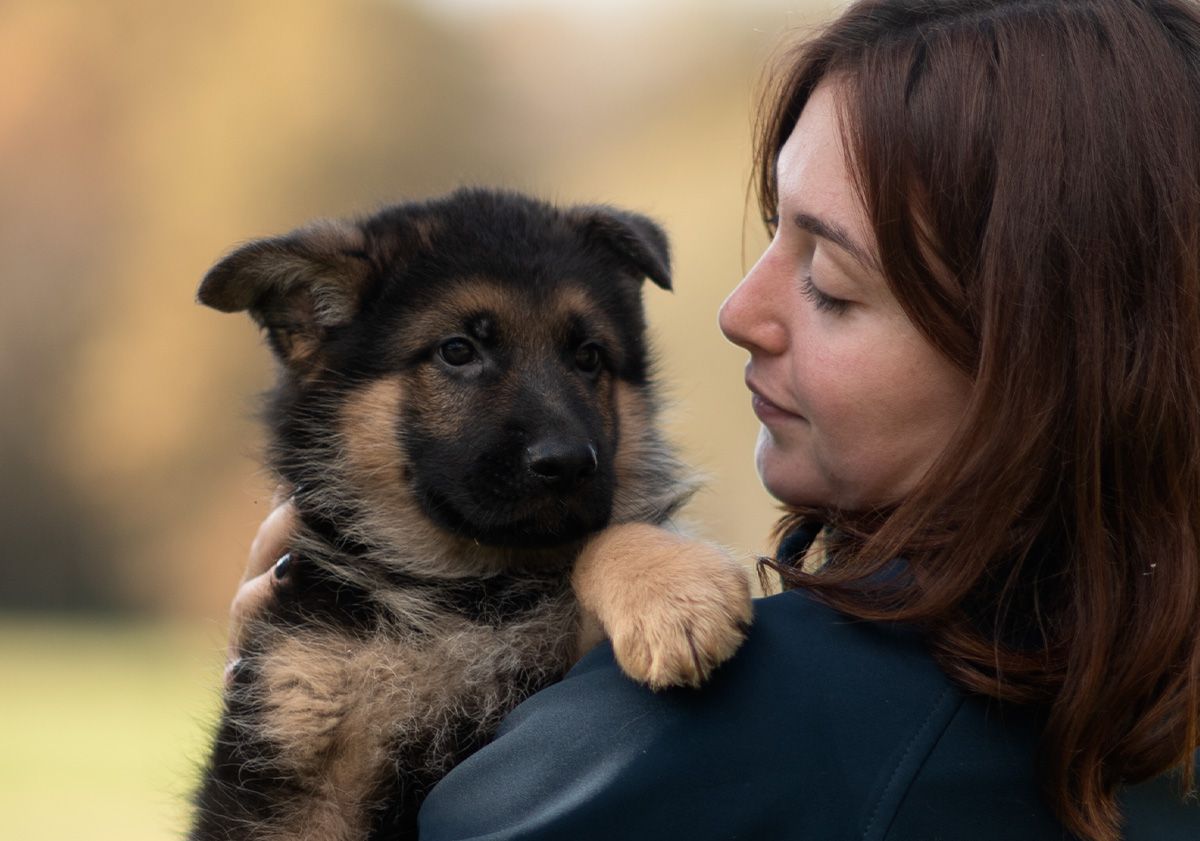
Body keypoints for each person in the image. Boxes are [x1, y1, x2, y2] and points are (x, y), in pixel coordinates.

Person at [228, 1, 1200, 838]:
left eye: (831, 280)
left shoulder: (718, 735)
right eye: (775, 228)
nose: (736, 311)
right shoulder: (1150, 690)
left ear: (1036, 355)